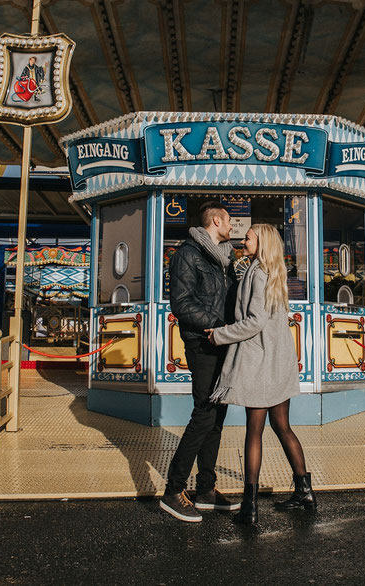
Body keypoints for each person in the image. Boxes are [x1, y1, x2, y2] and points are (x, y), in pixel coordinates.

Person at [207, 223, 316, 525]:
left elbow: (254, 321)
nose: (244, 240)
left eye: (249, 237)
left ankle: (249, 506)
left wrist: (219, 335)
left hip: (260, 364)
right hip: (278, 363)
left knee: (253, 432)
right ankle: (305, 489)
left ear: (262, 243)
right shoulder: (275, 273)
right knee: (283, 427)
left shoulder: (257, 273)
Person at [159, 201, 241, 523]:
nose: (232, 226)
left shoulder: (225, 259)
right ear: (216, 220)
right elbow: (180, 303)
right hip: (203, 343)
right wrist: (217, 326)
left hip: (222, 342)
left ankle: (205, 488)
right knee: (204, 414)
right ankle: (173, 489)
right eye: (229, 221)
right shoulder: (188, 254)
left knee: (217, 416)